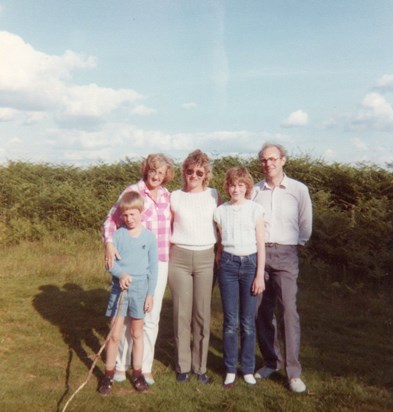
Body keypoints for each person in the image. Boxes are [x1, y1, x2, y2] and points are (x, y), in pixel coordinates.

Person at [102, 153, 174, 385]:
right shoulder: (132, 191)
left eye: (161, 172)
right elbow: (110, 221)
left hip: (159, 260)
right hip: (132, 262)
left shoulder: (167, 196)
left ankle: (144, 367)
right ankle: (120, 365)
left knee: (149, 315)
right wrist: (109, 244)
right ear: (146, 170)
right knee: (124, 318)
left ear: (166, 176)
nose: (156, 175)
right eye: (153, 170)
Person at [252, 142, 312, 393]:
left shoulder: (298, 189)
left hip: (287, 253)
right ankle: (271, 361)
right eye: (264, 160)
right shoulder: (255, 190)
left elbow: (305, 222)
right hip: (260, 254)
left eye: (273, 159)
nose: (269, 164)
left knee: (288, 310)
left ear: (283, 160)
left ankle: (293, 372)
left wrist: (296, 245)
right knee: (261, 312)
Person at [168, 149, 220, 384]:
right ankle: (183, 366)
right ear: (184, 172)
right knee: (181, 313)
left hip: (205, 258)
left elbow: (221, 227)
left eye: (199, 172)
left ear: (206, 174)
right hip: (178, 258)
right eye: (190, 171)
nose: (194, 175)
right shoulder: (174, 196)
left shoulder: (214, 195)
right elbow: (166, 227)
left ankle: (200, 368)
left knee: (201, 314)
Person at [98, 191, 158, 395]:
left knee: (137, 332)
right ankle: (108, 375)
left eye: (133, 214)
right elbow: (109, 265)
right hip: (119, 290)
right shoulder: (117, 236)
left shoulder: (149, 238)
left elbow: (154, 269)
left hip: (140, 290)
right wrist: (120, 274)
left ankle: (138, 373)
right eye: (125, 215)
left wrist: (150, 294)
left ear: (141, 213)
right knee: (114, 334)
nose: (129, 219)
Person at [213, 166, 265, 388]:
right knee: (230, 321)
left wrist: (259, 275)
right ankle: (230, 369)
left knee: (247, 322)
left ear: (247, 187)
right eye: (232, 185)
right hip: (228, 266)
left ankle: (248, 368)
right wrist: (220, 258)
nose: (236, 189)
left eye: (241, 185)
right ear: (227, 186)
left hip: (251, 264)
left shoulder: (255, 210)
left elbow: (261, 244)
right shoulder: (220, 212)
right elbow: (220, 242)